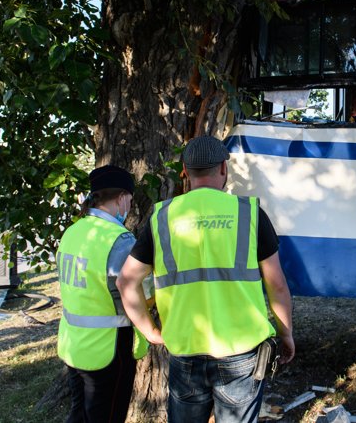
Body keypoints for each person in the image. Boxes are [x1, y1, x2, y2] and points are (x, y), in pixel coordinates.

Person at [117, 135, 295, 423]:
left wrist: (149, 331)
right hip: (242, 352)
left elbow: (126, 281)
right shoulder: (248, 213)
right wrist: (285, 333)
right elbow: (277, 285)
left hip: (186, 350)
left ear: (185, 172)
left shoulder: (162, 217)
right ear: (224, 168)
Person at [57, 165, 149, 423]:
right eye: (130, 200)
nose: (130, 206)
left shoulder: (72, 232)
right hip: (108, 347)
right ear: (121, 197)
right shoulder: (118, 239)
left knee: (79, 415)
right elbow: (133, 289)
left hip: (74, 343)